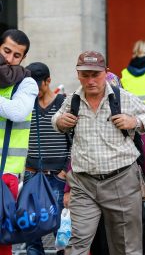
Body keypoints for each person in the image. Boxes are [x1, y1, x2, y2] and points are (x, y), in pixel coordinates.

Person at [52, 50, 145, 255]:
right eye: (85, 75)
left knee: (127, 247)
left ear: (105, 72)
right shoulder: (72, 100)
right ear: (77, 74)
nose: (91, 80)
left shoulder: (122, 98)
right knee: (76, 245)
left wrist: (134, 122)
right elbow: (56, 119)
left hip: (121, 181)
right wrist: (59, 121)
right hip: (83, 183)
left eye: (96, 74)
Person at [24, 62, 71, 255]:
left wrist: (64, 173)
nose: (35, 91)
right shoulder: (27, 105)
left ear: (48, 81)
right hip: (31, 175)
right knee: (31, 233)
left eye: (38, 86)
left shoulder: (63, 104)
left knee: (60, 233)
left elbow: (74, 143)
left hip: (57, 177)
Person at [0, 29, 38, 255]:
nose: (10, 59)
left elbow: (17, 111)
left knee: (3, 242)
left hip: (5, 175)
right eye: (6, 51)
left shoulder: (27, 83)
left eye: (17, 55)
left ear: (23, 58)